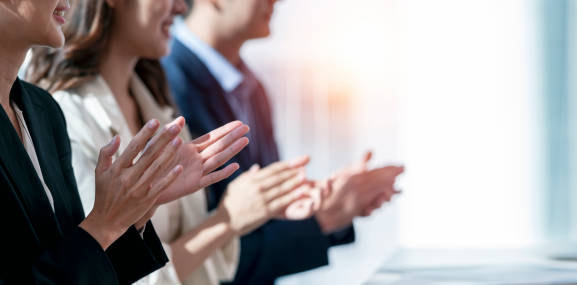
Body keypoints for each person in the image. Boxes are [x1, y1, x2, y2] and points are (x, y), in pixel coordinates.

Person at [27, 0, 327, 284]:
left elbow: (200, 259)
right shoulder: (66, 115)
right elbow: (106, 272)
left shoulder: (158, 106)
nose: (182, 6)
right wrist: (227, 219)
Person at [161, 0, 405, 284]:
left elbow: (262, 214)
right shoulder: (166, 88)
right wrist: (324, 218)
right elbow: (204, 254)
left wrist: (325, 199)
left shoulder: (252, 88)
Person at [0, 0, 243, 283]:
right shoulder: (63, 107)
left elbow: (77, 267)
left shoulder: (44, 112)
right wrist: (105, 224)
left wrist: (131, 211)